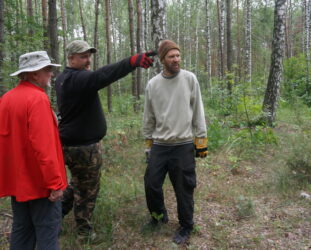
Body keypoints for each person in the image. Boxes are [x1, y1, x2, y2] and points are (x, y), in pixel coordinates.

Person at [55, 40, 155, 239]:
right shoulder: (79, 79)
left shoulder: (63, 78)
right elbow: (104, 75)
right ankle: (84, 233)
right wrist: (132, 61)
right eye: (83, 56)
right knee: (87, 190)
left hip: (71, 144)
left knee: (77, 183)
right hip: (84, 148)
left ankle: (53, 217)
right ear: (71, 58)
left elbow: (97, 76)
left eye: (89, 55)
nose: (88, 60)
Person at [0, 51, 67, 250]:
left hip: (18, 184)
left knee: (22, 231)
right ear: (34, 74)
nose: (51, 74)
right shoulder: (37, 99)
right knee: (47, 233)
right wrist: (55, 183)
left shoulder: (6, 99)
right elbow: (43, 147)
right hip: (40, 185)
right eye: (47, 70)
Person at [143, 40, 208, 244]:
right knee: (151, 183)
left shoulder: (189, 79)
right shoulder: (153, 84)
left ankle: (186, 225)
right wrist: (148, 145)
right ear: (162, 60)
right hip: (160, 145)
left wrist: (201, 140)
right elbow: (149, 116)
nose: (176, 59)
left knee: (184, 187)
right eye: (171, 56)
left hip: (183, 144)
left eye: (178, 55)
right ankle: (159, 217)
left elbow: (198, 110)